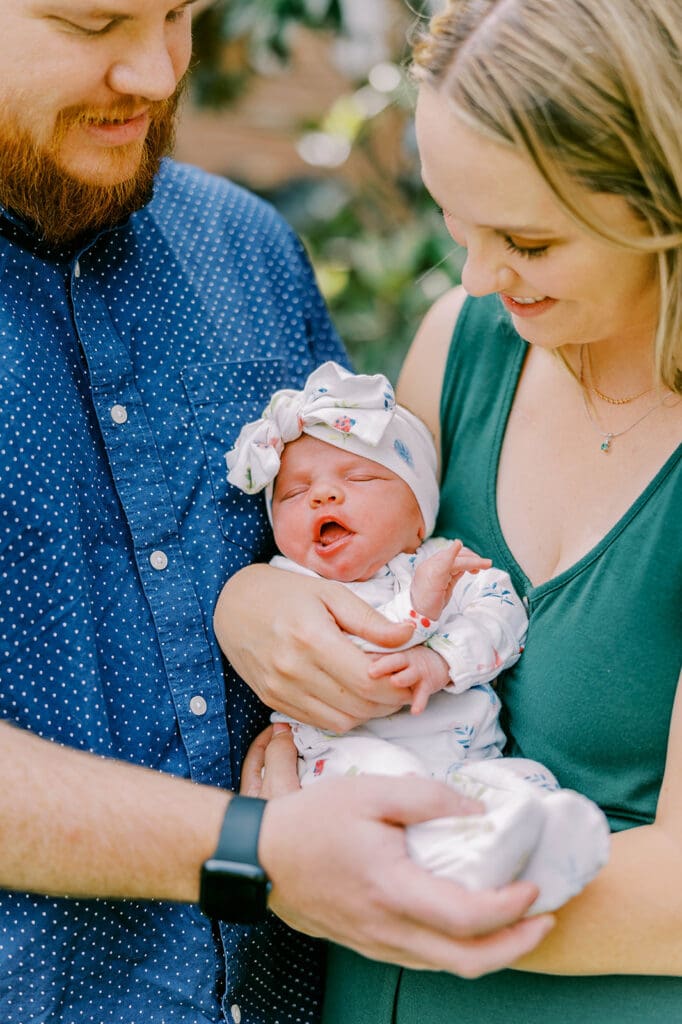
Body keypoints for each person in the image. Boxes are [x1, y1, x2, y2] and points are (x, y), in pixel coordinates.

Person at [0, 2, 557, 1023]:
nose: (159, 74)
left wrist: (251, 595)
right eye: (95, 23)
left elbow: (353, 531)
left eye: (179, 16)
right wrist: (249, 853)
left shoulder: (247, 251)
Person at [215, 1, 682, 1021]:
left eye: (525, 238)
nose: (475, 276)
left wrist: (356, 885)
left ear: (660, 204)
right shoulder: (465, 342)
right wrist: (250, 602)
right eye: (454, 221)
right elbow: (365, 562)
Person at [223, 360, 610, 913]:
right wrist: (418, 617)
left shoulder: (444, 566)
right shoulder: (291, 589)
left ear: (418, 518)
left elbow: (503, 615)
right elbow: (336, 667)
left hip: (466, 763)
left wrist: (442, 662)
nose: (323, 497)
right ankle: (454, 868)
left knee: (524, 784)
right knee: (390, 785)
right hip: (349, 760)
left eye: (359, 479)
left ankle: (531, 849)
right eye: (294, 493)